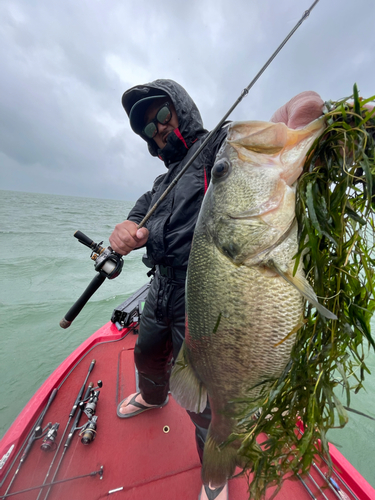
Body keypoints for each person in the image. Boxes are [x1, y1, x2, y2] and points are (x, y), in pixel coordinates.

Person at [109, 79, 324, 500]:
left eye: (162, 117)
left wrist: (304, 112)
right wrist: (122, 235)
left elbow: (299, 109)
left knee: (206, 393)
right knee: (146, 355)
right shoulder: (157, 186)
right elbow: (131, 222)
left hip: (205, 291)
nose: (159, 131)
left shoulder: (217, 149)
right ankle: (152, 398)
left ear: (181, 109)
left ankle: (216, 467)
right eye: (148, 132)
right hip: (160, 290)